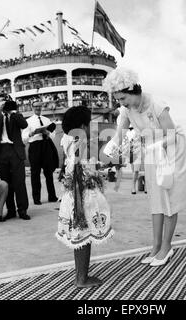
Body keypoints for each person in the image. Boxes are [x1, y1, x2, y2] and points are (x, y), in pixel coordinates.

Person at [103, 68, 186, 267]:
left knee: (169, 198)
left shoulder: (157, 105)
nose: (121, 103)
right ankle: (156, 246)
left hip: (172, 150)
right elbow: (119, 135)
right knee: (155, 198)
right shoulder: (127, 110)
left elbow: (170, 135)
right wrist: (109, 148)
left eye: (122, 98)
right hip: (153, 150)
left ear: (133, 90)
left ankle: (166, 247)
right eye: (118, 100)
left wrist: (152, 146)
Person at [56, 106, 114, 288]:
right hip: (84, 196)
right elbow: (102, 160)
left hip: (72, 195)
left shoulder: (67, 141)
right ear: (82, 125)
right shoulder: (84, 144)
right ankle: (81, 278)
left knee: (80, 236)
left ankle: (81, 275)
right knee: (84, 235)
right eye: (89, 124)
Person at [0, 94, 30, 220]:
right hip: (1, 151)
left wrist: (12, 112)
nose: (5, 104)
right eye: (2, 101)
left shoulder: (16, 115)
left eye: (7, 101)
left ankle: (22, 210)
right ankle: (11, 210)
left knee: (19, 182)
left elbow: (24, 125)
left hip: (15, 151)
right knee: (6, 182)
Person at [22, 101, 59, 205]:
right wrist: (32, 133)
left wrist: (47, 132)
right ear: (32, 107)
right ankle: (36, 199)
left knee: (49, 173)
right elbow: (24, 138)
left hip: (46, 145)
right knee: (35, 173)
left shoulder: (46, 120)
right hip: (35, 146)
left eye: (39, 106)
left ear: (42, 107)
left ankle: (52, 196)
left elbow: (53, 135)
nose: (38, 108)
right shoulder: (28, 121)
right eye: (36, 106)